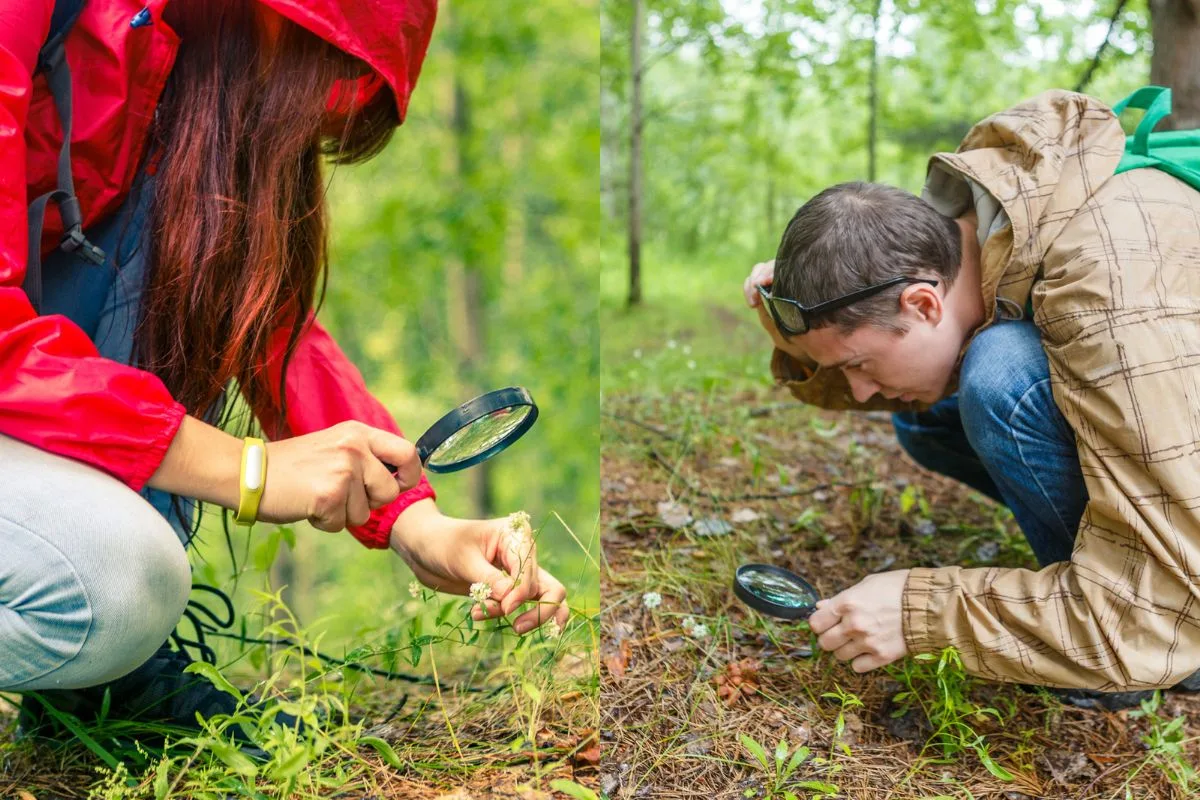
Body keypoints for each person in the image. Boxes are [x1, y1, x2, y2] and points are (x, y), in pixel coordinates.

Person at [0, 0, 569, 735]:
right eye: (319, 84)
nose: (302, 134)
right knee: (108, 588)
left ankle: (108, 686)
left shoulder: (176, 72)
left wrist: (415, 521)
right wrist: (249, 471)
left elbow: (266, 319)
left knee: (125, 583)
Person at [743, 89, 1200, 709]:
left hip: (1177, 594)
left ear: (923, 302)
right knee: (928, 412)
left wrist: (921, 612)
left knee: (998, 374)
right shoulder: (993, 227)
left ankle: (1116, 657)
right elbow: (898, 375)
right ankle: (1081, 587)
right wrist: (792, 333)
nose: (857, 392)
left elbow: (1160, 613)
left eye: (857, 365)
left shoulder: (1110, 289)